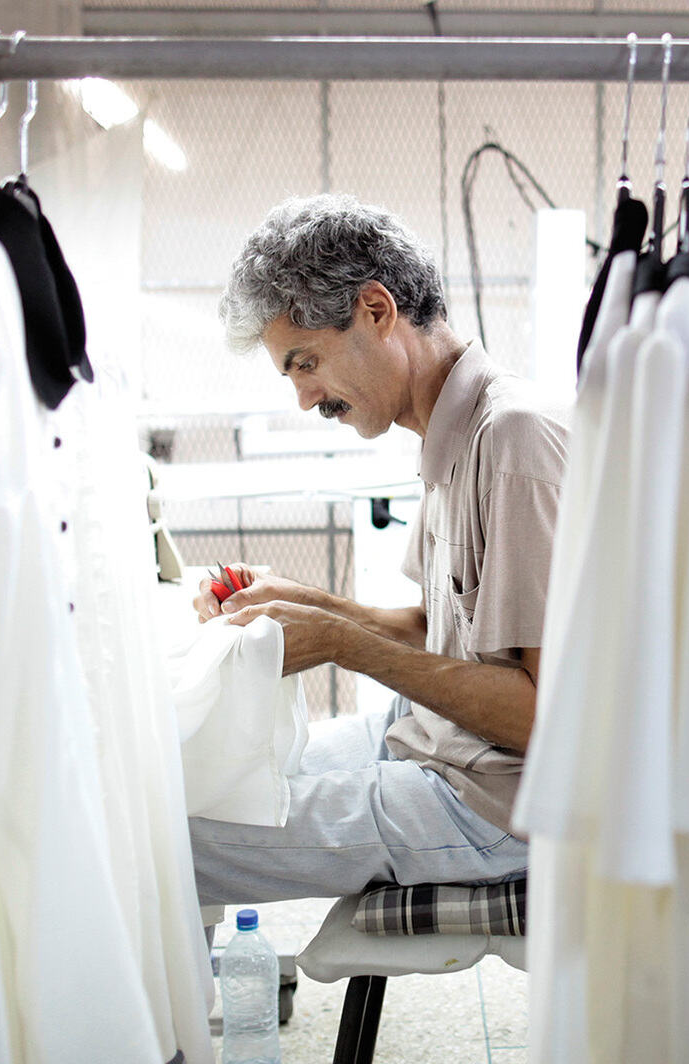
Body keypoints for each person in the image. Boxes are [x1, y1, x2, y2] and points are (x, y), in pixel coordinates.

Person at [187, 193, 569, 906]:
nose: (305, 399)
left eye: (306, 363)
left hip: (500, 802)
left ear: (375, 309)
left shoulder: (514, 441)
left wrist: (339, 640)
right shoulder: (451, 432)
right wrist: (311, 605)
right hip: (436, 739)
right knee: (210, 783)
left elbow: (546, 718)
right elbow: (438, 633)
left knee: (174, 840)